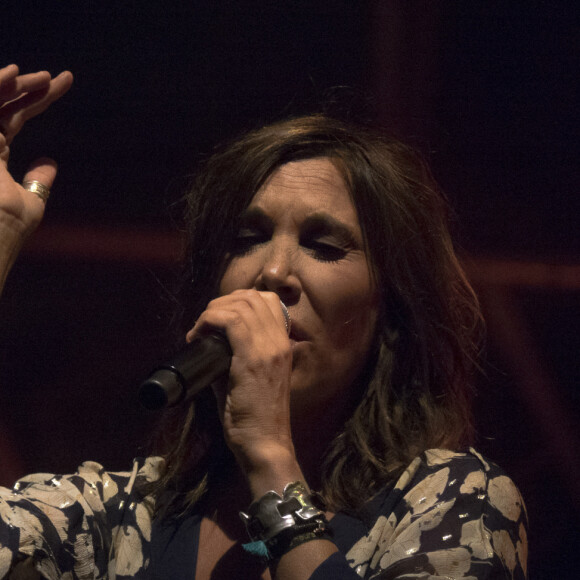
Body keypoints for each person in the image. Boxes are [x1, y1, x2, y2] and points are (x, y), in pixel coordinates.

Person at [0, 64, 528, 580]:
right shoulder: (118, 517)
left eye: (323, 246)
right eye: (246, 240)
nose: (272, 273)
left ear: (389, 310)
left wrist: (270, 458)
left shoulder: (455, 499)